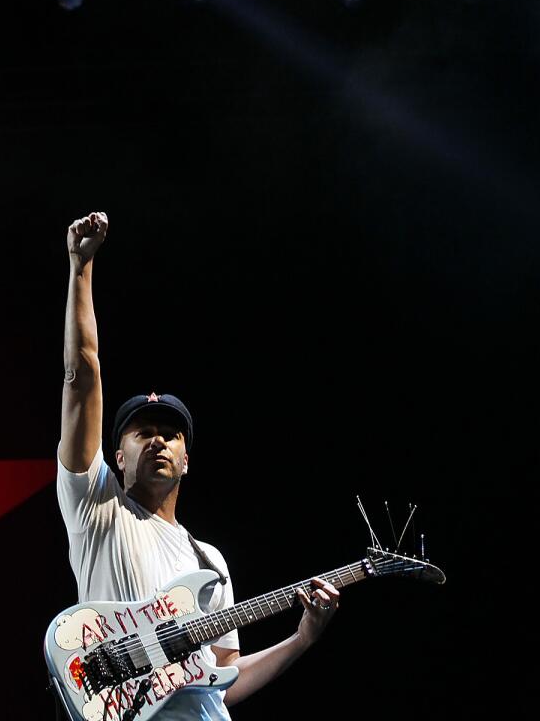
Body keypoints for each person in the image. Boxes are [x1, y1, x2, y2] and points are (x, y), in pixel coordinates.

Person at [56, 211, 338, 720]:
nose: (158, 440)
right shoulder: (96, 507)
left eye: (171, 434)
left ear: (186, 461)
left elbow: (225, 680)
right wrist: (81, 267)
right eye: (142, 433)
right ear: (118, 456)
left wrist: (302, 638)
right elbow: (82, 376)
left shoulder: (208, 562)